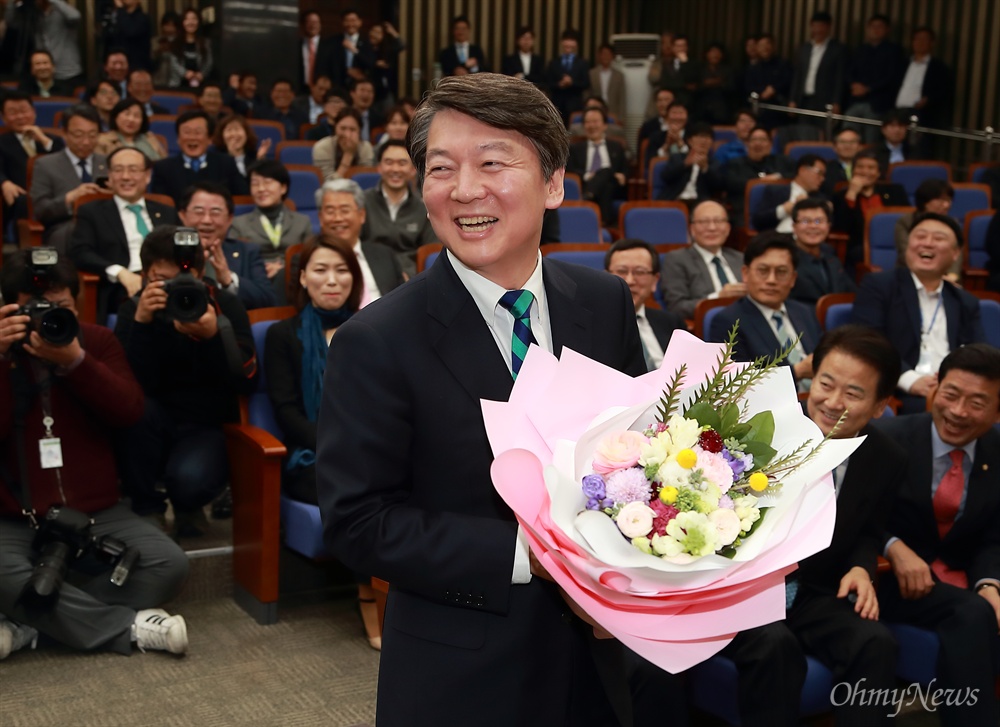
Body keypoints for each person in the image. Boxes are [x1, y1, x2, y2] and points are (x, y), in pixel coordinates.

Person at [316, 72, 644, 726]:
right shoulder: (376, 340)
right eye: (442, 168)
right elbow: (358, 522)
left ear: (553, 182)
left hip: (613, 661)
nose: (465, 189)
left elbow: (636, 452)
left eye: (493, 162)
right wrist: (540, 557)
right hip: (465, 674)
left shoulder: (603, 301)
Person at [0, 250, 189, 660]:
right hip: (16, 512)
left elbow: (129, 411)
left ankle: (27, 624)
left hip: (95, 511)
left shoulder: (98, 341)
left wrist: (76, 363)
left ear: (76, 303)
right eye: (34, 310)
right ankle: (128, 629)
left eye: (60, 307)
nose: (46, 319)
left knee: (169, 564)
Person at [263, 239, 381, 649]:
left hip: (373, 448)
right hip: (311, 457)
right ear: (302, 278)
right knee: (361, 486)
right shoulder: (284, 335)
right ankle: (370, 593)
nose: (332, 280)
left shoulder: (373, 329)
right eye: (320, 270)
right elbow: (287, 412)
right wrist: (344, 445)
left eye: (342, 270)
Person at [874, 344, 1000, 727]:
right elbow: (849, 514)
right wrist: (893, 548)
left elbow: (995, 535)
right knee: (972, 614)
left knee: (980, 606)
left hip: (959, 574)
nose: (959, 411)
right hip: (885, 579)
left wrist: (990, 582)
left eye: (977, 402)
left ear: (997, 411)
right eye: (951, 394)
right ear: (935, 390)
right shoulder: (886, 438)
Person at [792, 325, 905, 726]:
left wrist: (862, 565)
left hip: (816, 591)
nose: (832, 402)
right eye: (826, 383)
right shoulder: (760, 431)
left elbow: (870, 529)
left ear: (879, 407)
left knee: (875, 643)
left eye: (854, 394)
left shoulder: (885, 457)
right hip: (751, 594)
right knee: (775, 651)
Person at [114, 225, 257, 537]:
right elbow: (125, 388)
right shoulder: (133, 309)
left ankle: (187, 505)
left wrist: (213, 338)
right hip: (151, 420)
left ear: (201, 272)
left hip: (206, 424)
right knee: (135, 413)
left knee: (189, 482)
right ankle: (147, 506)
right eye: (162, 280)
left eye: (184, 280)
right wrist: (142, 324)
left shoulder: (225, 305)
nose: (175, 288)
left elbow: (246, 381)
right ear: (145, 275)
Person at [852, 212, 985, 414]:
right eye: (920, 236)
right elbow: (867, 342)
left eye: (938, 238)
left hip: (955, 390)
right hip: (901, 392)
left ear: (955, 253)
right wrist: (911, 381)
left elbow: (979, 352)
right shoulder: (879, 286)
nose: (928, 243)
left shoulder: (964, 300)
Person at [68, 147, 178, 322]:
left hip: (168, 283)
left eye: (133, 170)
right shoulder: (91, 212)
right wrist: (120, 272)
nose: (126, 177)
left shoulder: (166, 211)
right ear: (110, 177)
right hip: (121, 288)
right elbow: (80, 252)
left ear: (147, 175)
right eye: (118, 170)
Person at [709, 232, 820, 387]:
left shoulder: (804, 312)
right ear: (745, 274)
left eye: (781, 272)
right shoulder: (728, 322)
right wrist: (797, 371)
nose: (771, 280)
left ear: (793, 279)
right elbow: (736, 385)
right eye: (763, 270)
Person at [177, 181, 277, 311]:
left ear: (230, 219)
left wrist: (229, 280)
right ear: (182, 215)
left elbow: (268, 300)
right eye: (199, 212)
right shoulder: (166, 249)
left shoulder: (248, 251)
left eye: (215, 212)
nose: (207, 220)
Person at [29, 104, 107, 255]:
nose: (86, 142)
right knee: (79, 230)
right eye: (78, 135)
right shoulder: (46, 165)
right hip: (65, 226)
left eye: (92, 135)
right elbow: (40, 210)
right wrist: (70, 198)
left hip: (107, 225)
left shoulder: (109, 163)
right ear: (64, 134)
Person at [229, 159, 313, 294]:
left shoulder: (302, 222)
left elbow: (310, 258)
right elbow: (235, 262)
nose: (261, 189)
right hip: (255, 283)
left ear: (283, 188)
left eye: (267, 182)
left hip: (293, 282)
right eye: (255, 184)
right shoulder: (238, 224)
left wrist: (282, 268)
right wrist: (261, 268)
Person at [314, 178, 404, 305]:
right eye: (330, 211)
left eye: (345, 210)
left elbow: (403, 302)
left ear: (362, 215)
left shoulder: (385, 255)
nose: (338, 218)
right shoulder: (308, 261)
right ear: (320, 218)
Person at [605, 238, 686, 371]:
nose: (630, 281)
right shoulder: (592, 326)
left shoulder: (671, 323)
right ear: (605, 276)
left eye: (640, 272)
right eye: (621, 271)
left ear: (655, 281)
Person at [360, 140, 435, 278]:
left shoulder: (424, 208)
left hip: (410, 278)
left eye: (402, 163)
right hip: (368, 275)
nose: (395, 169)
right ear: (379, 167)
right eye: (389, 162)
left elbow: (431, 253)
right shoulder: (362, 202)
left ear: (413, 169)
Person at [660, 199, 745, 319]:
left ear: (728, 228)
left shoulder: (740, 258)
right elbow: (677, 307)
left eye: (718, 221)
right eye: (704, 222)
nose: (712, 227)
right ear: (692, 229)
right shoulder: (677, 259)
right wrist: (718, 298)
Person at [831, 148, 908, 271]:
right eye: (860, 167)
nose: (865, 172)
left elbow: (907, 220)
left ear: (878, 173)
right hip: (859, 247)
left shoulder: (895, 192)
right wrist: (851, 194)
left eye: (871, 168)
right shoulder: (841, 196)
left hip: (896, 242)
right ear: (853, 170)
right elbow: (840, 228)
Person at [151, 110, 248, 205]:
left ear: (210, 139)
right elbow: (160, 205)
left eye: (198, 132)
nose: (192, 137)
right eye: (187, 132)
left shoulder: (226, 163)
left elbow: (244, 197)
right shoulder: (163, 168)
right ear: (178, 139)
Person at [0, 91, 65, 229]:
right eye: (13, 112)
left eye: (24, 111)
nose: (20, 116)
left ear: (34, 112)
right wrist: (4, 183)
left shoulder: (53, 140)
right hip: (22, 194)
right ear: (4, 118)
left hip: (54, 192)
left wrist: (43, 140)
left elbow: (65, 163)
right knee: (23, 200)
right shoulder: (2, 142)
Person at [844, 15, 906, 143]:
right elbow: (849, 71)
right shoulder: (860, 49)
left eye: (880, 27)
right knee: (848, 134)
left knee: (870, 140)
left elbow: (892, 77)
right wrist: (854, 85)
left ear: (887, 30)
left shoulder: (894, 51)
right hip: (855, 100)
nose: (876, 30)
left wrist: (868, 89)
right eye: (873, 26)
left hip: (878, 103)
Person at [720, 126, 795, 223]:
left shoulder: (783, 161)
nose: (758, 143)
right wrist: (759, 182)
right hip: (744, 211)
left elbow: (796, 175)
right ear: (747, 144)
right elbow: (731, 183)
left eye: (763, 140)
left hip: (779, 210)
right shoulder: (735, 164)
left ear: (770, 144)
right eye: (754, 139)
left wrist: (778, 177)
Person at [567, 106, 627, 225]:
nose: (592, 126)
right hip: (586, 183)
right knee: (606, 182)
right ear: (584, 126)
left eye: (595, 121)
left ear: (605, 125)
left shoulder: (616, 146)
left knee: (606, 172)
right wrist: (588, 176)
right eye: (588, 122)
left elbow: (625, 170)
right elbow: (570, 170)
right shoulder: (576, 148)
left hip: (614, 187)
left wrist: (623, 176)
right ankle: (604, 223)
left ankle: (589, 196)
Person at [788, 198, 854, 306]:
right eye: (805, 221)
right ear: (794, 227)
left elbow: (850, 291)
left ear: (828, 226)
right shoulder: (787, 258)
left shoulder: (830, 254)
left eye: (819, 221)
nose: (813, 226)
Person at [895, 179, 959, 280]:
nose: (947, 205)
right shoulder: (906, 222)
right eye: (941, 200)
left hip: (946, 276)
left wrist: (952, 276)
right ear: (925, 202)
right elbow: (906, 253)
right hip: (910, 274)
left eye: (949, 200)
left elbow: (956, 252)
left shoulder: (953, 224)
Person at [788, 11, 847, 117]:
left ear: (829, 27)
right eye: (815, 26)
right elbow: (797, 75)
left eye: (822, 26)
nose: (818, 29)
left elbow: (840, 77)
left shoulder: (837, 49)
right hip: (804, 100)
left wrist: (836, 101)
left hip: (825, 101)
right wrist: (793, 99)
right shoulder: (804, 48)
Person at [751, 154, 828, 233]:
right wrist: (784, 210)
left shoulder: (821, 200)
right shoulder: (775, 191)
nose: (822, 179)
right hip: (776, 239)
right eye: (819, 173)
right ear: (803, 170)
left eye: (823, 175)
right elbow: (758, 221)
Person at [894, 27, 952, 132]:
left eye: (924, 39)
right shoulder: (902, 64)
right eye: (917, 39)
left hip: (922, 114)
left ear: (932, 43)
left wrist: (928, 99)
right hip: (897, 110)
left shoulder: (938, 67)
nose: (920, 42)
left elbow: (943, 91)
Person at [656, 122, 718, 207]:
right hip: (675, 200)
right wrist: (685, 164)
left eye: (708, 137)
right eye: (700, 136)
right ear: (690, 140)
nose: (704, 140)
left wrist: (705, 168)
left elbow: (718, 187)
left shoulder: (714, 163)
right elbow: (666, 177)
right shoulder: (678, 158)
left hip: (699, 204)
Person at [741, 34, 792, 130]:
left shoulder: (783, 64)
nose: (765, 48)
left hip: (779, 110)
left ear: (773, 46)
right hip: (759, 110)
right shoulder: (753, 68)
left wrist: (774, 89)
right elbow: (748, 87)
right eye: (761, 45)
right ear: (757, 48)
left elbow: (788, 81)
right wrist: (763, 92)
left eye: (767, 44)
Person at [95, 97, 168, 161]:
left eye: (137, 116)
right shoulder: (102, 141)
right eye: (127, 114)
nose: (131, 119)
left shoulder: (149, 137)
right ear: (115, 117)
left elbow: (164, 163)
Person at [311, 107, 374, 180]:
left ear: (359, 131)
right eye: (343, 128)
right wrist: (348, 154)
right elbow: (327, 185)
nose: (347, 134)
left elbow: (365, 180)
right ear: (335, 128)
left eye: (352, 129)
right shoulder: (322, 147)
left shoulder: (365, 148)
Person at [545, 30, 590, 124]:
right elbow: (547, 83)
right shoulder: (554, 63)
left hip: (575, 105)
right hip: (557, 105)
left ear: (576, 44)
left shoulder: (582, 63)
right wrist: (559, 84)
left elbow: (586, 83)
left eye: (572, 40)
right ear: (562, 42)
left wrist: (572, 82)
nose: (569, 44)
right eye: (566, 40)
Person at [211, 114, 269, 179]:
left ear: (246, 133)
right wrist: (231, 157)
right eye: (229, 130)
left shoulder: (254, 156)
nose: (234, 134)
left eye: (237, 129)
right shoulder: (214, 157)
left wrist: (259, 160)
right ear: (222, 136)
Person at [167, 7, 212, 89]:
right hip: (178, 86)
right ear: (182, 22)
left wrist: (202, 74)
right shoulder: (174, 42)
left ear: (199, 22)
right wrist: (185, 73)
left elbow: (209, 62)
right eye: (187, 19)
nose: (191, 22)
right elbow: (173, 63)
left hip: (200, 85)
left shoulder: (205, 42)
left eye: (194, 19)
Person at [329, 8, 373, 91]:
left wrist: (354, 50)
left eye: (353, 20)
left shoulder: (366, 42)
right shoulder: (334, 41)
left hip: (359, 86)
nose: (350, 24)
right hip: (338, 86)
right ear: (342, 23)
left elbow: (370, 63)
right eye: (347, 21)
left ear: (360, 22)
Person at [102, 0, 151, 72]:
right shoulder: (116, 16)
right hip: (116, 68)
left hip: (136, 69)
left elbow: (130, 31)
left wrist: (120, 9)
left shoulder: (143, 18)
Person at [695, 42, 734, 125]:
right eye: (712, 52)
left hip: (721, 110)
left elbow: (731, 88)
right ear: (707, 54)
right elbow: (696, 87)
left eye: (718, 52)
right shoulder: (700, 69)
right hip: (701, 110)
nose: (715, 55)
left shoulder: (728, 70)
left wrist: (711, 83)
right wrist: (716, 82)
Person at [297, 10, 334, 93]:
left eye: (316, 22)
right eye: (309, 22)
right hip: (300, 89)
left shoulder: (329, 46)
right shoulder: (297, 46)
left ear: (320, 24)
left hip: (322, 91)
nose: (312, 25)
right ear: (303, 25)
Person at [588, 43, 626, 124]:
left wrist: (621, 118)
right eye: (603, 54)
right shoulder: (592, 74)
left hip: (614, 113)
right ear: (599, 56)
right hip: (595, 112)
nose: (606, 57)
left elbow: (622, 98)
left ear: (613, 56)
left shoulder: (619, 76)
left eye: (608, 54)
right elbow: (588, 94)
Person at [500, 26, 546, 90]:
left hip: (534, 91)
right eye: (523, 38)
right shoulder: (509, 60)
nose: (526, 41)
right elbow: (504, 78)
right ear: (517, 40)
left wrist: (523, 76)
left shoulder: (538, 60)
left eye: (529, 38)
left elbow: (542, 78)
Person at [821, 127, 862, 195]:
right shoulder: (825, 169)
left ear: (859, 147)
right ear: (834, 147)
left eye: (852, 142)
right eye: (842, 142)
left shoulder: (867, 169)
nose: (847, 146)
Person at [150, 10, 179, 88]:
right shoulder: (154, 42)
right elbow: (148, 63)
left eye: (173, 26)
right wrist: (159, 51)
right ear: (162, 26)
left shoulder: (180, 43)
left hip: (177, 84)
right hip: (157, 83)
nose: (170, 29)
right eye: (167, 25)